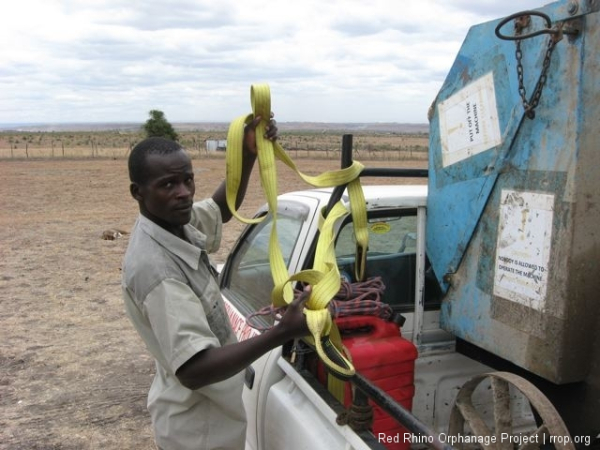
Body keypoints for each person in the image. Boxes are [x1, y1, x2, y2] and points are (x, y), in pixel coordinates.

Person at [121, 116, 309, 450]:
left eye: (187, 180)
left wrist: (248, 153)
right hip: (198, 431)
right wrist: (281, 333)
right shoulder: (158, 270)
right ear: (138, 192)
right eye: (168, 185)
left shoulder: (172, 220)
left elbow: (219, 210)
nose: (184, 194)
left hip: (211, 418)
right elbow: (194, 369)